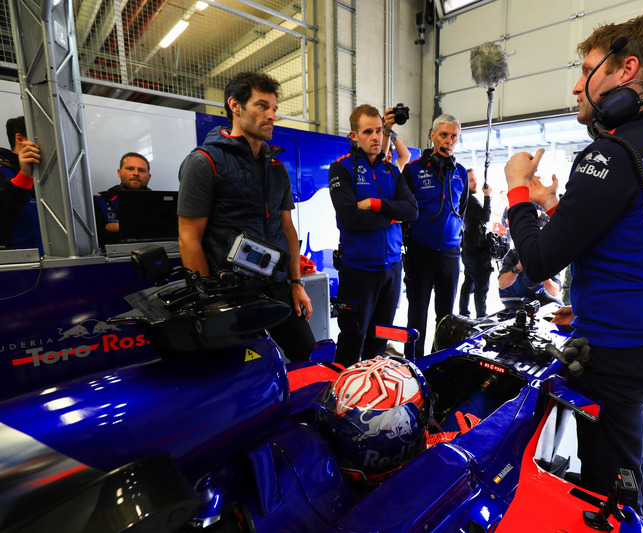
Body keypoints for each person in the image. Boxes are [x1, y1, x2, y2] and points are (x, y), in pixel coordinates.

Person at [503, 13, 643, 513]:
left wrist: (517, 188)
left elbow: (539, 260)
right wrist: (552, 207)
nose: (577, 86)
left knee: (611, 489)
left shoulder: (611, 152)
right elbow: (626, 234)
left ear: (626, 70)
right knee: (618, 460)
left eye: (588, 69)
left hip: (617, 352)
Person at [177, 71, 315, 362]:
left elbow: (287, 228)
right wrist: (209, 302)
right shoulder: (204, 162)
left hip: (276, 282)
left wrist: (296, 283)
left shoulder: (276, 166)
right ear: (235, 106)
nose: (271, 115)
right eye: (262, 106)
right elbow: (189, 238)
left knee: (303, 348)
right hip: (230, 289)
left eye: (274, 109)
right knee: (243, 365)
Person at [328, 104, 417, 366]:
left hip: (391, 268)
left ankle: (371, 392)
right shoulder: (341, 169)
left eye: (379, 130)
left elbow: (412, 211)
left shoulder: (391, 169)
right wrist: (393, 216)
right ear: (354, 136)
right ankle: (341, 397)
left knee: (379, 340)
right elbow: (350, 218)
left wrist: (375, 205)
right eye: (368, 132)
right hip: (358, 270)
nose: (376, 137)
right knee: (352, 337)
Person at [403, 114, 469, 355]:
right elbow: (403, 211)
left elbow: (461, 210)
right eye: (443, 135)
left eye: (454, 136)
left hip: (451, 255)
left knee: (446, 320)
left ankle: (437, 362)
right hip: (421, 253)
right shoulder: (412, 170)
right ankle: (413, 365)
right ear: (432, 136)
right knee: (417, 315)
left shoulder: (460, 172)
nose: (449, 141)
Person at [0, 117, 42, 251]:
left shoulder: (47, 172)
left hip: (52, 258)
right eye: (43, 136)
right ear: (20, 139)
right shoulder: (2, 170)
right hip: (18, 261)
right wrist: (24, 176)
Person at [94, 152, 152, 247]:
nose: (136, 173)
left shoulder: (161, 202)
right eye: (130, 169)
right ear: (119, 173)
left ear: (148, 177)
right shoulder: (100, 201)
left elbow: (166, 233)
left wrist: (120, 227)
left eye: (141, 170)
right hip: (112, 260)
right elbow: (99, 239)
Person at [458, 169, 493, 317]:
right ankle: (481, 319)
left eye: (475, 179)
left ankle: (464, 314)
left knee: (469, 283)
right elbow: (485, 216)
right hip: (476, 250)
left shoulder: (464, 199)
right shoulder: (470, 200)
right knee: (481, 287)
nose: (475, 183)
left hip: (469, 248)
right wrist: (487, 196)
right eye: (471, 180)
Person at [497, 247, 562, 308]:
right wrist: (518, 268)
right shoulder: (514, 253)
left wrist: (542, 271)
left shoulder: (549, 254)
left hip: (537, 294)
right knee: (526, 313)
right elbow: (502, 284)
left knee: (557, 305)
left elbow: (554, 292)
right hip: (513, 296)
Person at [381, 107, 411, 172]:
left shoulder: (391, 171)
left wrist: (389, 130)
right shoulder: (374, 169)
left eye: (389, 158)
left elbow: (406, 155)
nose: (386, 161)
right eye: (385, 158)